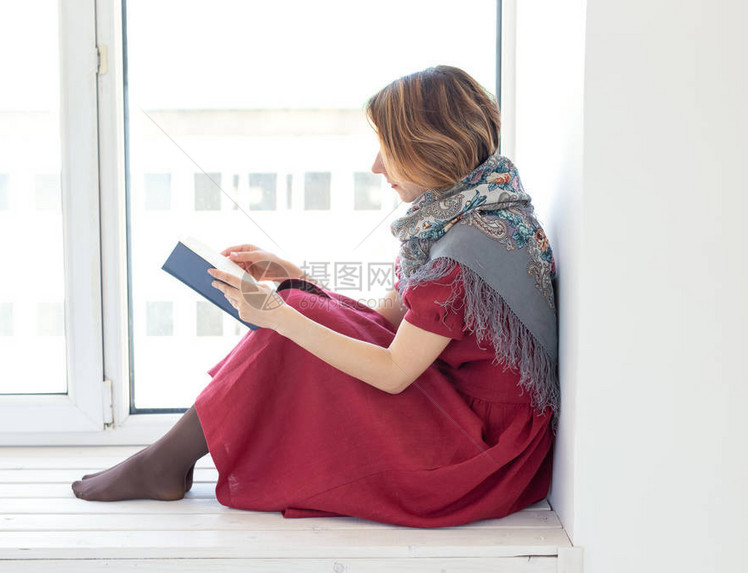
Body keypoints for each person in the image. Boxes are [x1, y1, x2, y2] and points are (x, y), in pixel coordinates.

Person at [72, 65, 559, 529]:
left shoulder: (463, 252)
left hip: (482, 452)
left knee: (293, 318)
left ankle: (164, 462)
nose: (375, 166)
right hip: (467, 409)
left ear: (428, 148)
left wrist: (282, 316)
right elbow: (389, 320)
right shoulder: (473, 211)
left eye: (387, 149)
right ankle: (165, 460)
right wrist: (297, 279)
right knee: (299, 309)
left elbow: (393, 372)